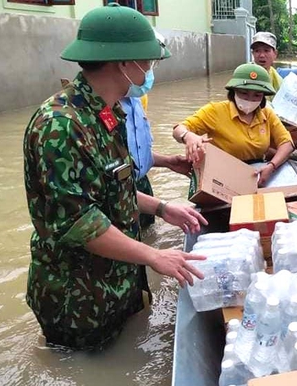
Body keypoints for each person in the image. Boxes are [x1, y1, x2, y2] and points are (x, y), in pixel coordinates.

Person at [23, 4, 208, 350]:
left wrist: (162, 208)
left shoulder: (108, 115)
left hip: (118, 282)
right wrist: (154, 256)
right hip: (78, 299)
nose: (150, 70)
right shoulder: (61, 126)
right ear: (124, 63)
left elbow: (113, 186)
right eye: (148, 61)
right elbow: (80, 222)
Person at [172, 63, 293, 186]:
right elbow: (178, 129)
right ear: (233, 91)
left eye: (257, 95)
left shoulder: (267, 114)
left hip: (256, 174)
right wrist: (187, 136)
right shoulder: (215, 111)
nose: (250, 99)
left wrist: (272, 166)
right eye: (244, 93)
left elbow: (286, 143)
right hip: (222, 177)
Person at [121, 94, 192, 229]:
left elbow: (136, 150)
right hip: (121, 193)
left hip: (140, 185)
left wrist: (168, 162)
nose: (149, 75)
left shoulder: (138, 98)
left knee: (147, 233)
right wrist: (162, 208)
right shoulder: (95, 111)